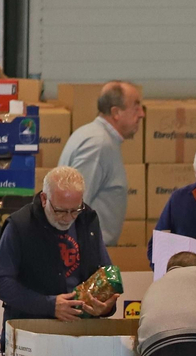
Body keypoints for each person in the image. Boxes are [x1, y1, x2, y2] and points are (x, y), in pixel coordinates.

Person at [0, 166, 114, 322]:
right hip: (31, 329)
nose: (68, 218)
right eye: (60, 211)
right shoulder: (20, 226)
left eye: (75, 210)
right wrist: (49, 306)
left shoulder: (87, 219)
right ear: (44, 199)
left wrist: (106, 306)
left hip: (81, 329)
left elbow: (106, 272)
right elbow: (0, 282)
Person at [58, 81, 143, 247]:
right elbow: (73, 205)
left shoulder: (95, 137)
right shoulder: (98, 145)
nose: (142, 114)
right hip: (87, 258)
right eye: (136, 107)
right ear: (116, 112)